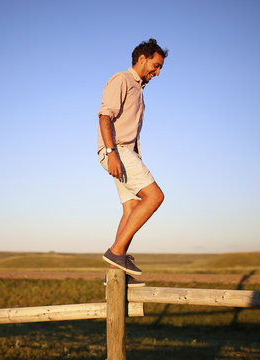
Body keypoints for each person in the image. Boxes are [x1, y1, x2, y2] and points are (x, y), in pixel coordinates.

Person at [97, 39, 168, 287]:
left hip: (127, 153)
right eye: (156, 66)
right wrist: (111, 152)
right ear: (142, 59)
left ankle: (115, 275)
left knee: (130, 209)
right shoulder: (122, 80)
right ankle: (116, 252)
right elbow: (105, 115)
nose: (157, 72)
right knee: (155, 197)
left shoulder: (138, 90)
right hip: (117, 151)